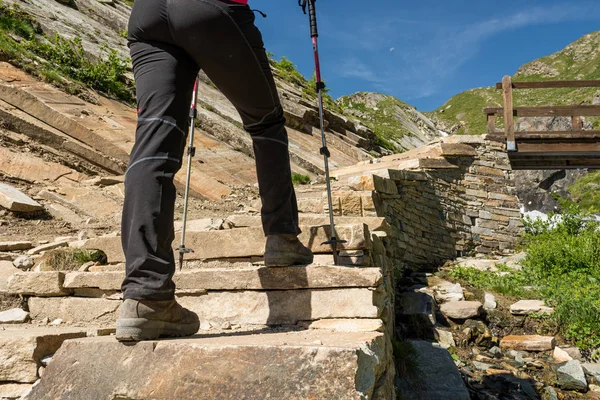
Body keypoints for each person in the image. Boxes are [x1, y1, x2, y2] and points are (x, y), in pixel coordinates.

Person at [116, 0, 314, 342]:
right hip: (208, 9)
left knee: (154, 143)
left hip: (147, 15)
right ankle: (281, 237)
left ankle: (146, 296)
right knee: (267, 124)